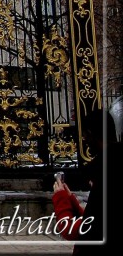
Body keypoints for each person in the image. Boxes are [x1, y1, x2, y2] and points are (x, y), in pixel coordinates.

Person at [52, 108, 121, 254]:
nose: (83, 139)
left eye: (83, 134)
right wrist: (73, 202)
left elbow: (81, 230)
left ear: (90, 133)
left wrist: (61, 199)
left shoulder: (103, 171)